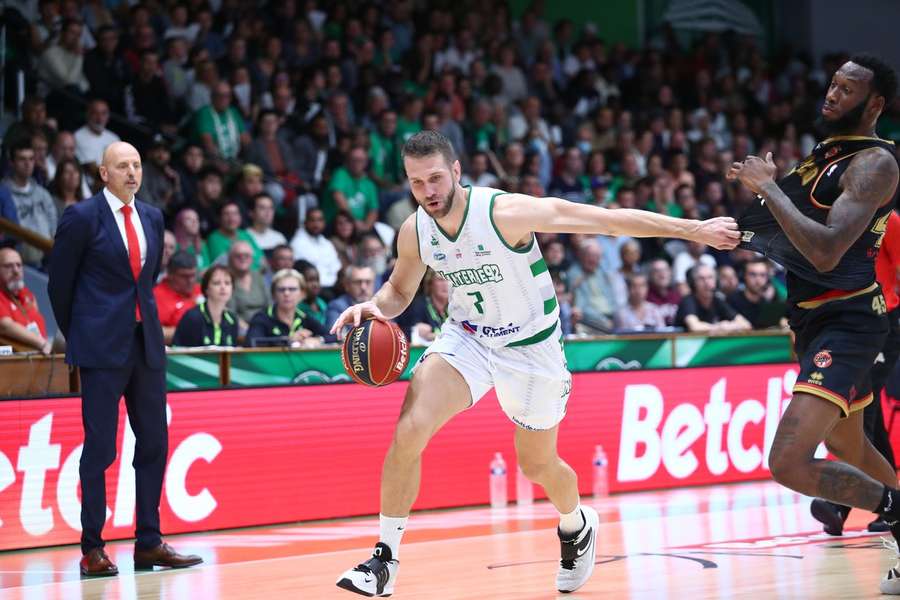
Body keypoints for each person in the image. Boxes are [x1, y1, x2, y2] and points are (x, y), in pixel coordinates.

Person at [330, 130, 738, 596]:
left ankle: (576, 523)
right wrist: (377, 307)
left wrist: (695, 229)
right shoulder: (415, 230)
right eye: (417, 183)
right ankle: (384, 560)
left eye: (437, 178)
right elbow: (401, 289)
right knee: (409, 430)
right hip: (468, 338)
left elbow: (606, 221)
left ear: (457, 172)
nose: (429, 192)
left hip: (532, 350)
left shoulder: (506, 212)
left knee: (537, 466)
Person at [729, 55, 900, 595]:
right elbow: (789, 231)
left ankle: (897, 512)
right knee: (853, 448)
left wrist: (771, 188)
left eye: (847, 89)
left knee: (788, 461)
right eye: (832, 84)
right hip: (811, 319)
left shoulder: (875, 163)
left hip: (848, 321)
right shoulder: (826, 154)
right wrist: (752, 206)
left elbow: (826, 252)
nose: (832, 94)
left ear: (874, 104)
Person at [48, 141, 201, 577]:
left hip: (145, 343)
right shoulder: (81, 217)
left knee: (154, 442)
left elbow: (145, 280)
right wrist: (80, 334)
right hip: (100, 347)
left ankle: (148, 542)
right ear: (103, 173)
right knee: (100, 448)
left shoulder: (152, 215)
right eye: (122, 166)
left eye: (136, 164)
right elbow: (61, 284)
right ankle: (92, 548)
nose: (132, 172)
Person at [808, 209, 900, 535]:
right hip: (848, 324)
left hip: (882, 322)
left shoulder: (889, 221)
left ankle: (840, 504)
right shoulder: (834, 220)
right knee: (866, 414)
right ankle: (891, 505)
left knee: (864, 410)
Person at [3, 140, 58, 267]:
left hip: (48, 255)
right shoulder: (3, 194)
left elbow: (54, 227)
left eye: (31, 159)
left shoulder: (43, 194)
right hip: (20, 259)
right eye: (22, 159)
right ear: (12, 163)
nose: (28, 164)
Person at [246, 268, 330, 347]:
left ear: (303, 294)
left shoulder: (304, 317)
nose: (286, 293)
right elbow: (253, 342)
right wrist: (289, 340)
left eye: (292, 289)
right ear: (273, 294)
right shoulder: (262, 318)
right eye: (281, 289)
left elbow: (335, 336)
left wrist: (319, 340)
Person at [172, 265, 238, 346]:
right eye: (217, 283)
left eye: (227, 283)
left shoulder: (232, 320)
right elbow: (180, 352)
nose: (223, 287)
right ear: (206, 289)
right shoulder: (193, 318)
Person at [0, 248, 51, 353]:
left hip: (39, 355)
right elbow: (5, 326)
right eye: (8, 266)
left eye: (19, 265)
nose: (15, 270)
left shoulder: (28, 294)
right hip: (16, 359)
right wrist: (41, 343)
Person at [674, 264, 751, 333]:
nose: (707, 282)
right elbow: (694, 327)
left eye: (710, 277)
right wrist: (719, 327)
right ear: (693, 283)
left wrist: (729, 326)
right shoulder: (688, 301)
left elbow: (746, 324)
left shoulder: (717, 300)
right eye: (701, 278)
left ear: (716, 281)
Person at [153, 251, 202, 344]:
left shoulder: (201, 290)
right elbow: (149, 332)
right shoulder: (155, 297)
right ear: (170, 274)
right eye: (185, 276)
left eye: (193, 275)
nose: (191, 281)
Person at [726, 257, 787, 329]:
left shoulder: (773, 301)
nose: (758, 280)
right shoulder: (732, 301)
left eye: (762, 275)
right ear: (744, 276)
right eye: (753, 274)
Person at [202, 200, 263, 270]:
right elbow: (222, 267)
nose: (231, 218)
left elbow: (261, 260)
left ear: (240, 217)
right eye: (226, 214)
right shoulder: (214, 239)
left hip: (255, 277)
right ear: (219, 218)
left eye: (235, 213)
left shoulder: (245, 235)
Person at [290, 207, 341, 288]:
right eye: (312, 220)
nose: (316, 224)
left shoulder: (327, 243)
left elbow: (336, 268)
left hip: (332, 286)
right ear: (305, 222)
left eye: (320, 220)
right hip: (311, 288)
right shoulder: (297, 243)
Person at [227, 240, 270, 325]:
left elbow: (269, 305)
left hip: (264, 324)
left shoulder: (259, 277)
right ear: (231, 258)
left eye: (247, 255)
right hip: (239, 328)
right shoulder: (227, 279)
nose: (243, 258)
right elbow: (230, 312)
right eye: (238, 256)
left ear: (252, 259)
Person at [325, 265, 375, 330]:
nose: (363, 287)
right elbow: (336, 335)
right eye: (358, 282)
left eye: (368, 282)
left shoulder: (382, 304)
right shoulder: (336, 306)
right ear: (347, 285)